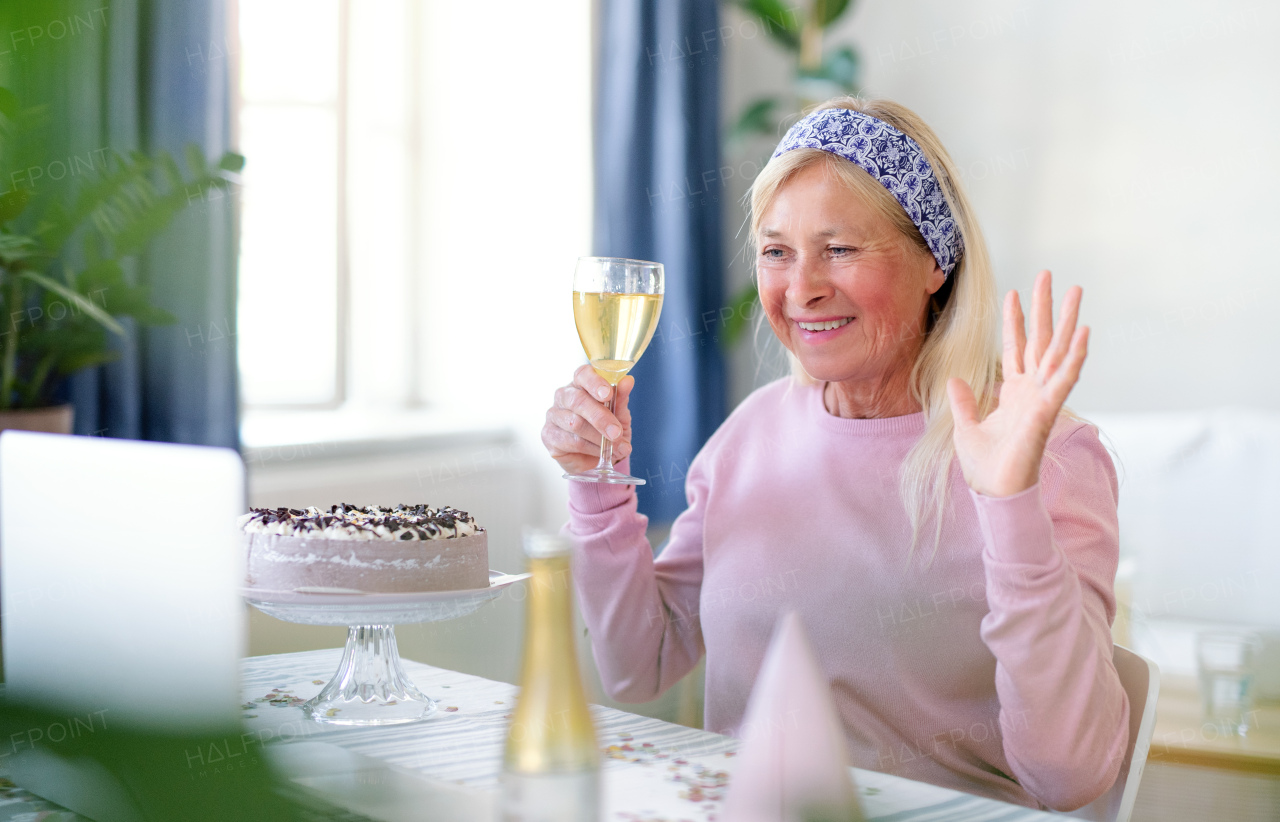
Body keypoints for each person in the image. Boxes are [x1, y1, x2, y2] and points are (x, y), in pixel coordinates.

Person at [541, 97, 1128, 812]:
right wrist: (597, 487)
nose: (801, 288)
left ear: (934, 262)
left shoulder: (1052, 455)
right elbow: (639, 665)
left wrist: (1009, 506)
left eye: (840, 249)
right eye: (775, 251)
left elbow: (1071, 779)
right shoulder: (752, 432)